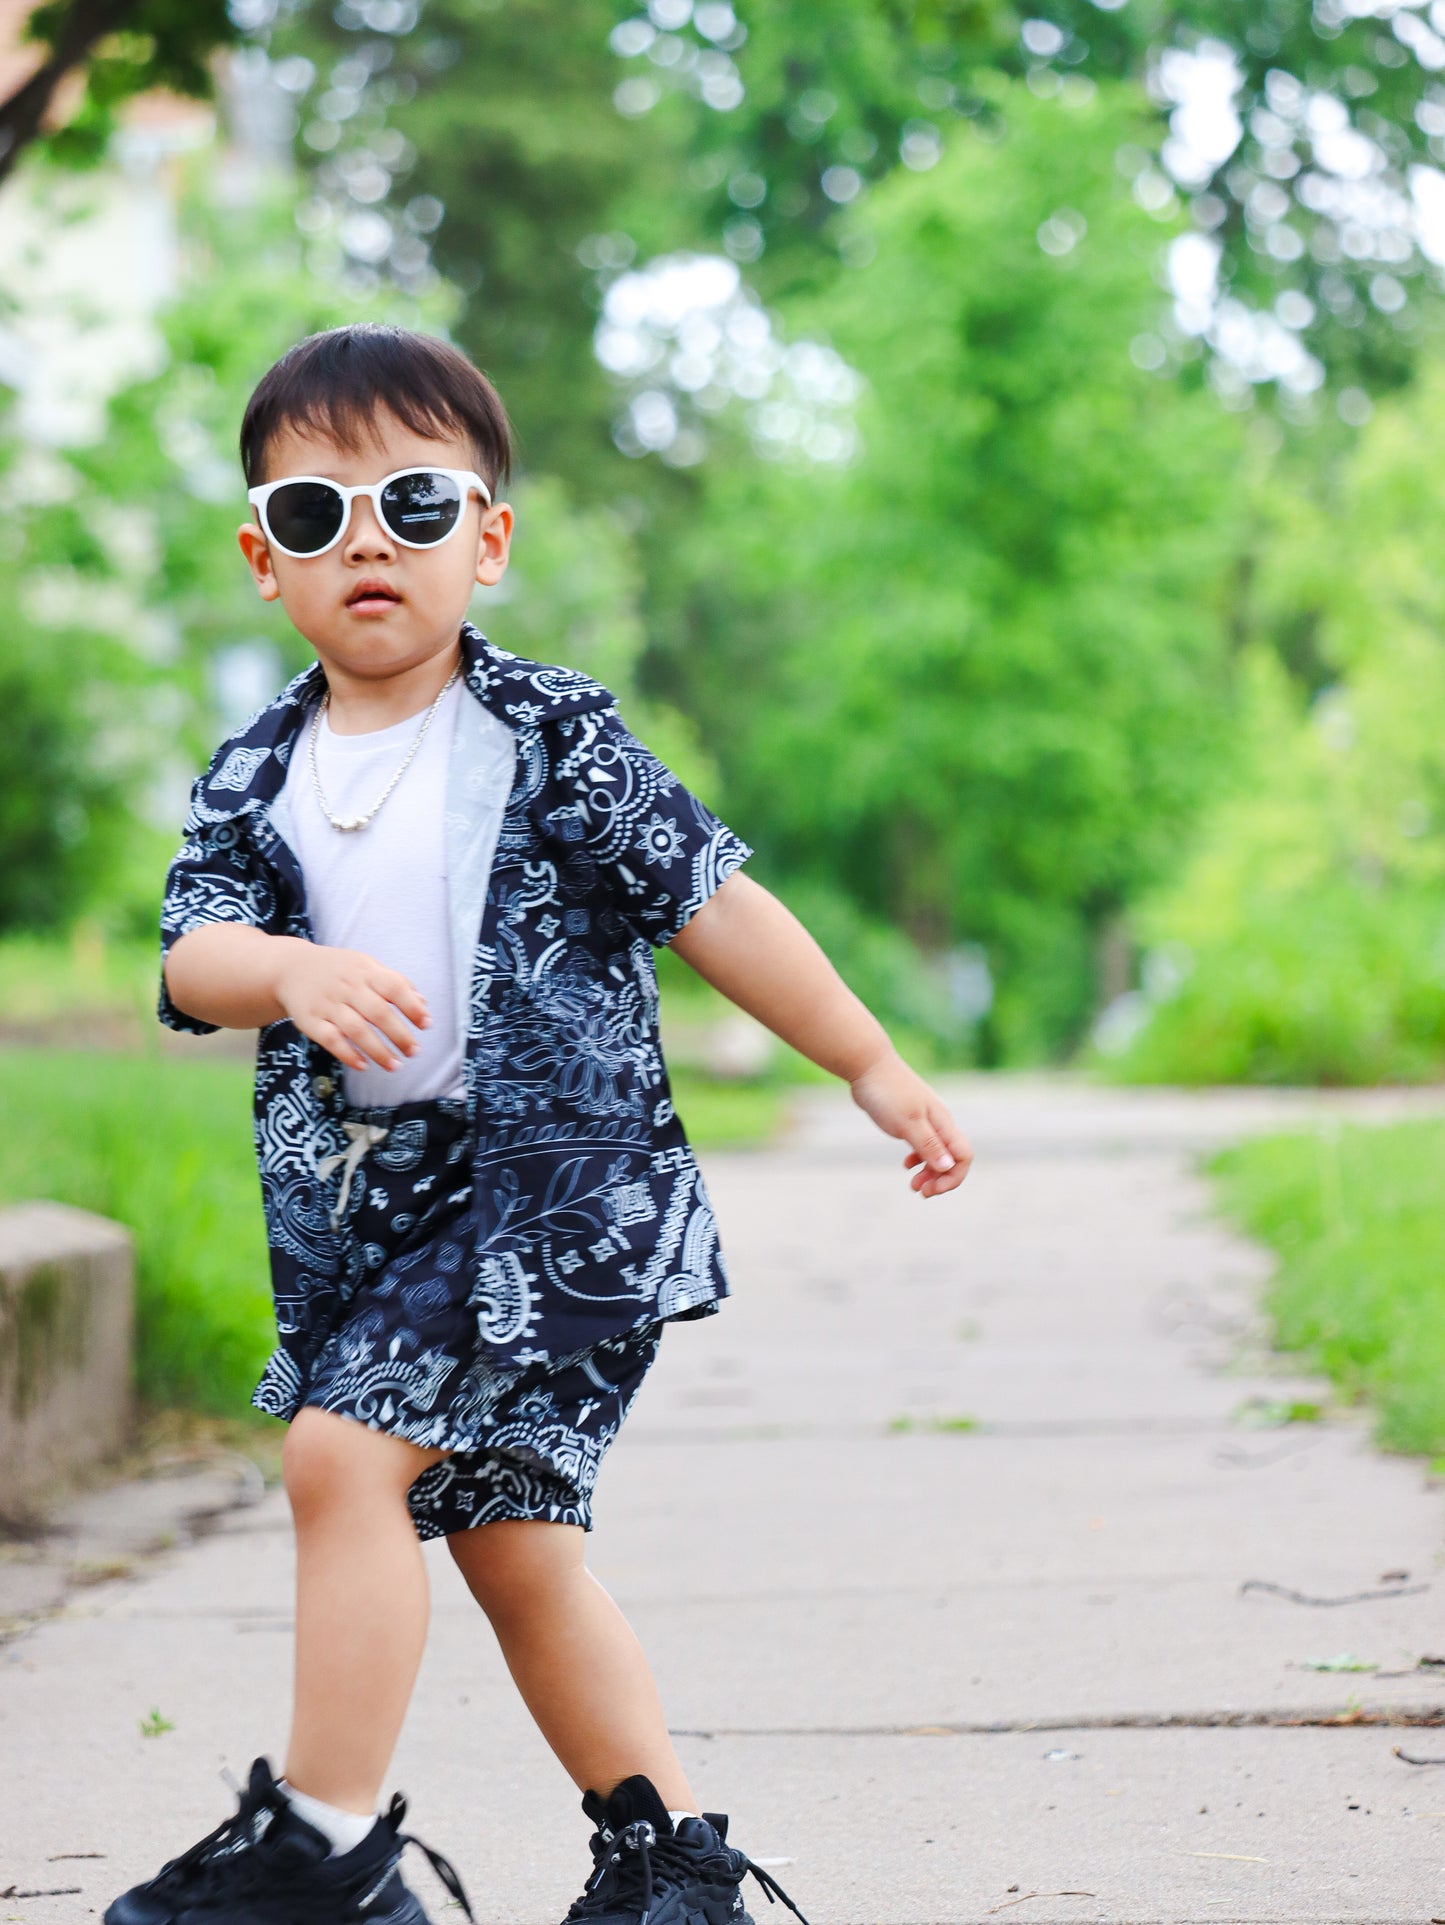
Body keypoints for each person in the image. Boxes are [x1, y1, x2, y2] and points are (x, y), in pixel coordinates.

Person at [109, 323, 972, 1925]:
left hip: (561, 1204)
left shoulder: (549, 734)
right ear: (261, 559)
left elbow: (715, 902)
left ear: (486, 540)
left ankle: (327, 1851)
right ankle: (674, 1865)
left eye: (416, 506)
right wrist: (287, 971)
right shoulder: (255, 771)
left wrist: (864, 1057)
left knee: (338, 1459)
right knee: (512, 1544)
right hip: (390, 1210)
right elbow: (193, 955)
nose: (367, 539)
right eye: (316, 516)